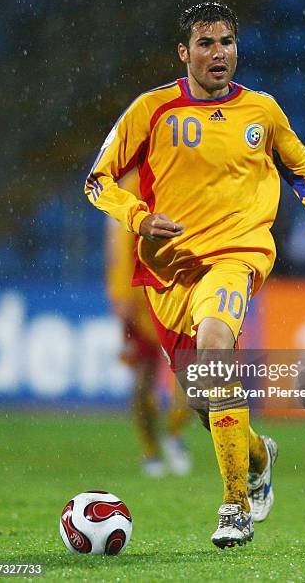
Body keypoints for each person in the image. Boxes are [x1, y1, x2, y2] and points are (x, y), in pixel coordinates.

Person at [85, 1, 305, 549]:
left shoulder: (262, 112)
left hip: (237, 257)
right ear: (183, 53)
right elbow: (97, 182)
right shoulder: (152, 110)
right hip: (170, 273)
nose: (220, 54)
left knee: (218, 347)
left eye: (228, 42)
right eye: (207, 44)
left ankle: (234, 505)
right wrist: (139, 218)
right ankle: (259, 455)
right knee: (203, 396)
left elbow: (304, 170)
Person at [105, 174, 191, 477]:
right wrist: (121, 294)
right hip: (141, 301)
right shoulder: (130, 186)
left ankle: (172, 433)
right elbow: (118, 246)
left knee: (195, 379)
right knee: (143, 381)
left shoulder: (184, 175)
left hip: (181, 295)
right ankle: (151, 451)